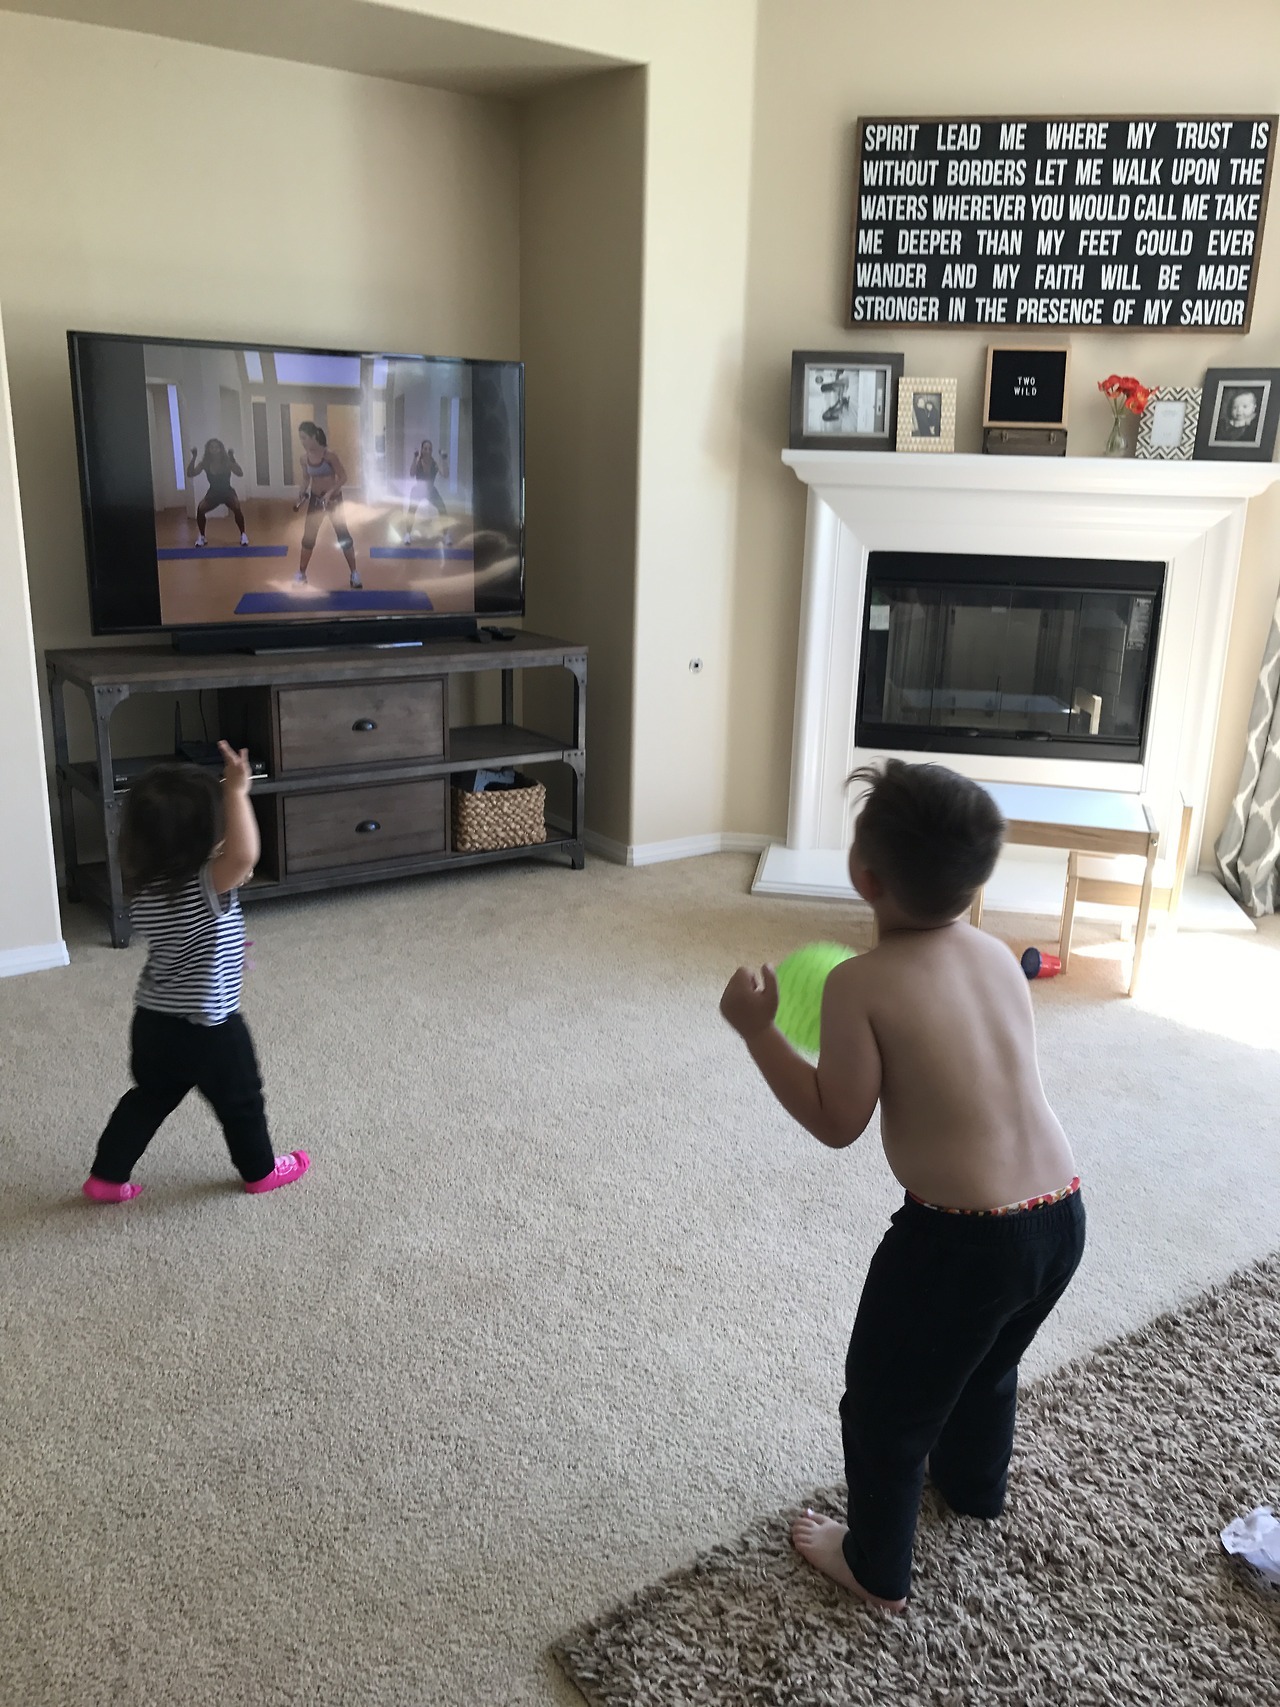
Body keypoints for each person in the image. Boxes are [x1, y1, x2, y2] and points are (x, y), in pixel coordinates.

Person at [719, 759, 1084, 1613]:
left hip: (960, 1240)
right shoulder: (998, 957)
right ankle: (973, 1487)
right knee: (988, 1364)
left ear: (863, 875)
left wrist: (757, 1030)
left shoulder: (860, 983)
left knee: (885, 1407)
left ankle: (877, 1564)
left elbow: (834, 1117)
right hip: (1060, 1212)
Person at [83, 743, 310, 1203]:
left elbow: (193, 927)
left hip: (153, 1022)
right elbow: (246, 856)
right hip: (210, 1028)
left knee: (148, 1098)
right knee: (242, 1101)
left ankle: (106, 1177)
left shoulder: (143, 887)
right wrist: (238, 793)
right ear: (204, 834)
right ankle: (261, 1171)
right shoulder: (206, 883)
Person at [293, 421, 362, 588]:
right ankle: (301, 574)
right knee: (308, 539)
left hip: (334, 501)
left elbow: (344, 476)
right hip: (316, 500)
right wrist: (302, 491)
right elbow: (306, 479)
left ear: (313, 437)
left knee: (343, 536)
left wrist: (331, 492)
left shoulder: (329, 456)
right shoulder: (304, 459)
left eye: (304, 438)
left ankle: (354, 574)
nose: (302, 442)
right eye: (300, 438)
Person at [186, 439, 248, 546]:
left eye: (216, 447)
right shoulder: (205, 463)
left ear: (220, 449)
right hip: (214, 493)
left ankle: (243, 535)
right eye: (211, 447)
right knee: (201, 508)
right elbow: (191, 473)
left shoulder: (227, 462)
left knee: (237, 507)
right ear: (208, 450)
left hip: (227, 491)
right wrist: (194, 457)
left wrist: (232, 458)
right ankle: (202, 537)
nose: (214, 449)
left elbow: (240, 473)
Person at [400, 439, 450, 545]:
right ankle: (408, 534)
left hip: (431, 491)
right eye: (425, 448)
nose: (427, 451)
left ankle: (446, 535)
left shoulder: (434, 464)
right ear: (422, 450)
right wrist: (414, 457)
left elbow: (445, 475)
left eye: (430, 449)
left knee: (443, 510)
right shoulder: (418, 463)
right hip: (418, 490)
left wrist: (444, 459)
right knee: (411, 511)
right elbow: (412, 473)